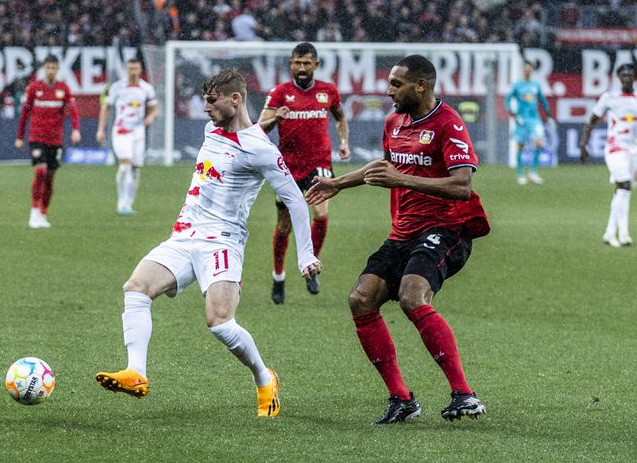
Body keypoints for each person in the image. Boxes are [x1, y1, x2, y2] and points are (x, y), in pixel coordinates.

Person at [95, 69, 322, 417]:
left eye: (212, 101)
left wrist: (305, 255)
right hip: (185, 235)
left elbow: (294, 199)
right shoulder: (210, 130)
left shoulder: (260, 149)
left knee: (219, 322)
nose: (206, 107)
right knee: (136, 288)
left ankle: (264, 378)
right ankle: (136, 372)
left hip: (223, 243)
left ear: (236, 99)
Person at [306, 55, 490, 425]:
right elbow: (384, 168)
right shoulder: (394, 122)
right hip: (404, 231)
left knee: (411, 295)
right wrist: (337, 183)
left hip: (447, 228)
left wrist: (402, 180)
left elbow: (462, 185)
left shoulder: (448, 123)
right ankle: (402, 399)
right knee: (361, 299)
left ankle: (464, 394)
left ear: (420, 86)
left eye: (396, 84)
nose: (388, 91)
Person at [258, 42, 350, 304]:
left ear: (316, 65)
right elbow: (259, 127)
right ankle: (278, 276)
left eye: (307, 63)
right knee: (284, 225)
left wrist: (344, 142)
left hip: (319, 162)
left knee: (320, 213)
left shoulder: (328, 91)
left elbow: (340, 118)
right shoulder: (279, 93)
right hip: (287, 166)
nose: (301, 67)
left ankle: (311, 265)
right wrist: (275, 118)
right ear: (291, 64)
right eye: (297, 63)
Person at [15, 55, 81, 229]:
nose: (50, 71)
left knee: (50, 178)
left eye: (53, 68)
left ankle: (43, 213)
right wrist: (19, 137)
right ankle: (34, 211)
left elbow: (73, 110)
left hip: (55, 139)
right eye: (48, 67)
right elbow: (24, 114)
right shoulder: (34, 88)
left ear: (57, 69)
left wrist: (76, 129)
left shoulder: (63, 88)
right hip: (37, 137)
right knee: (41, 171)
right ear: (43, 69)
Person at [579, 63, 637, 247]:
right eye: (624, 75)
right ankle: (624, 234)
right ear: (619, 78)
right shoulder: (610, 97)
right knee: (624, 185)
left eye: (630, 75)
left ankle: (610, 232)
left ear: (634, 77)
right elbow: (592, 120)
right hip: (615, 148)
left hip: (633, 150)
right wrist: (583, 144)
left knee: (623, 190)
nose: (627, 78)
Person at [96, 58, 159, 215]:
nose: (133, 72)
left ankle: (128, 204)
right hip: (121, 130)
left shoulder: (146, 88)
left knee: (135, 168)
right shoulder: (117, 87)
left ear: (140, 70)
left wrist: (151, 117)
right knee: (125, 164)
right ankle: (121, 202)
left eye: (136, 69)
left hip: (138, 132)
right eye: (130, 69)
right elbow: (105, 107)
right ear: (126, 70)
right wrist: (101, 130)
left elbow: (154, 108)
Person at [505, 59, 554, 185]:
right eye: (525, 68)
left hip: (534, 119)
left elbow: (542, 100)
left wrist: (548, 112)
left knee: (538, 143)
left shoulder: (536, 85)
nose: (527, 70)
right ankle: (521, 174)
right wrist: (511, 111)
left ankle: (533, 172)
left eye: (529, 68)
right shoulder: (517, 85)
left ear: (531, 70)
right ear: (523, 69)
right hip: (521, 120)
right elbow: (508, 99)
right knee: (520, 146)